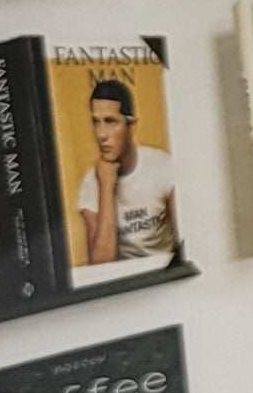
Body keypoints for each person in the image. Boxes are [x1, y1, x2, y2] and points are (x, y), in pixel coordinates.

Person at [72, 71, 177, 270]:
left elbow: (189, 241)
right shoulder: (91, 182)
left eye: (110, 121)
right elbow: (100, 265)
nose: (101, 134)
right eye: (96, 122)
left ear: (131, 126)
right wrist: (106, 187)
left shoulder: (162, 165)